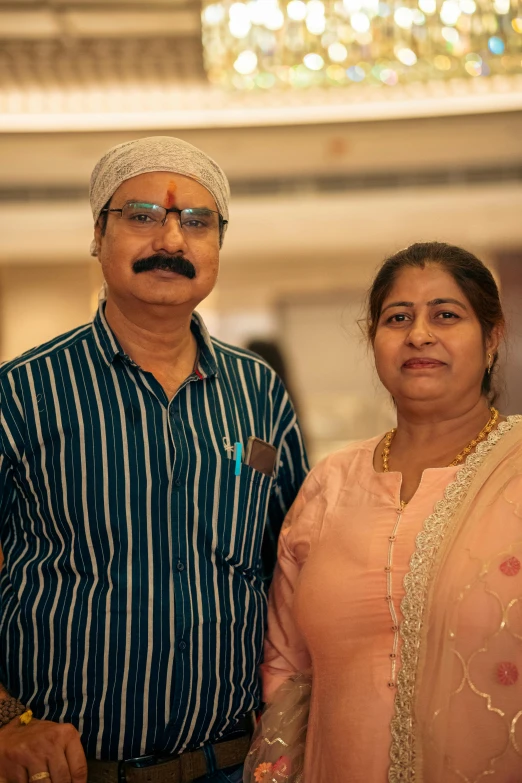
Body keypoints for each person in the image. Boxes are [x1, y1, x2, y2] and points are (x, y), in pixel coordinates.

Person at [0, 136, 308, 783]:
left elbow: (295, 567)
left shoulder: (259, 395)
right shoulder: (21, 393)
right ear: (96, 234)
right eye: (142, 215)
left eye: (197, 222)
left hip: (232, 763)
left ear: (218, 245)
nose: (171, 239)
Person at [245, 242, 522, 783]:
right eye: (398, 318)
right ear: (373, 340)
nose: (419, 334)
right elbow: (285, 665)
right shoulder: (332, 482)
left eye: (446, 314)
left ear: (492, 338)